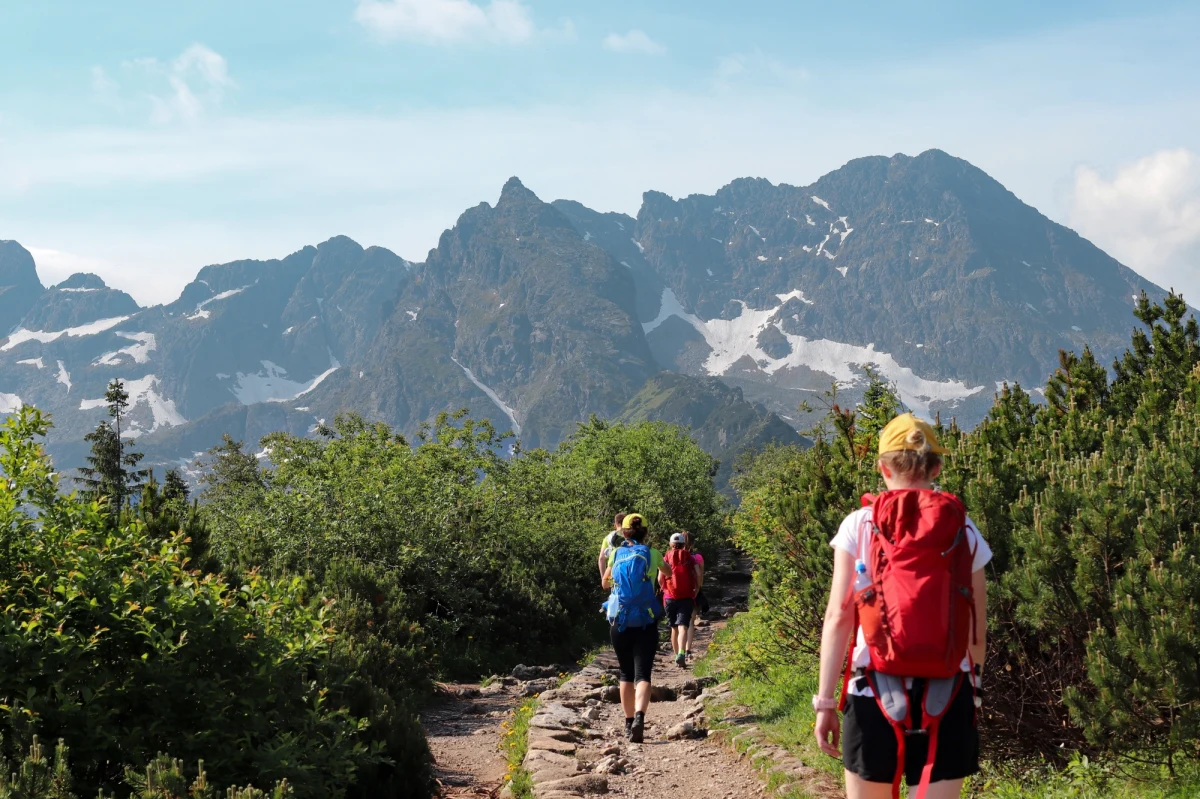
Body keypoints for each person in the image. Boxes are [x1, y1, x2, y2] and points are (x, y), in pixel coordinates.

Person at [813, 413, 990, 799]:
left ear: (882, 467)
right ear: (937, 466)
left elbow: (839, 615)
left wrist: (825, 701)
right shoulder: (964, 527)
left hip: (871, 693)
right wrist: (974, 690)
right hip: (948, 693)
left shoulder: (858, 525)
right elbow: (977, 625)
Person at [602, 513, 671, 743]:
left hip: (620, 621)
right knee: (643, 673)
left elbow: (605, 583)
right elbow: (668, 573)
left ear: (623, 532)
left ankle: (629, 722)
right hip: (646, 621)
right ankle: (641, 716)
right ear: (646, 532)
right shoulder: (652, 554)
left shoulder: (615, 553)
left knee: (625, 673)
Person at [660, 532, 700, 667]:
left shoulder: (666, 556)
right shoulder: (689, 556)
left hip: (669, 596)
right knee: (683, 625)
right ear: (684, 544)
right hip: (687, 596)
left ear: (671, 544)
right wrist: (696, 589)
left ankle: (677, 655)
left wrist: (663, 588)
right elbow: (698, 573)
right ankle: (682, 653)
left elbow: (660, 578)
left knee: (674, 628)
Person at [682, 531, 706, 659]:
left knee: (679, 622)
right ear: (693, 543)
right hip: (693, 591)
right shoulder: (698, 557)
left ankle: (678, 650)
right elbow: (700, 575)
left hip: (677, 592)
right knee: (691, 621)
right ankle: (688, 650)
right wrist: (698, 589)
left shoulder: (672, 555)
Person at [598, 512, 627, 585]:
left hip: (613, 573)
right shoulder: (630, 536)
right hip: (628, 573)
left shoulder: (608, 538)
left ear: (615, 525)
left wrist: (604, 579)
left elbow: (601, 558)